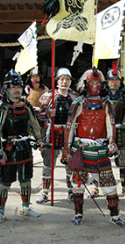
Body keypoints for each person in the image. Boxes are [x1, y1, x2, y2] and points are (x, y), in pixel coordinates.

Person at [62, 67, 125, 227]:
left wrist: (112, 142)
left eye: (98, 82)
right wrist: (66, 148)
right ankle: (78, 213)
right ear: (86, 83)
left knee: (110, 185)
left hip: (100, 150)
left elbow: (110, 125)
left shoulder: (106, 104)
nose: (95, 85)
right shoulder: (78, 103)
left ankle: (115, 215)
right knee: (78, 184)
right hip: (81, 149)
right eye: (91, 82)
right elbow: (69, 127)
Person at [0, 69, 44, 224]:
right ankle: (0, 211)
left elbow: (34, 125)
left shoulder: (26, 104)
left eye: (19, 86)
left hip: (25, 147)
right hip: (8, 148)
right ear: (7, 88)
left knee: (26, 179)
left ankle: (26, 207)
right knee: (4, 182)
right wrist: (0, 151)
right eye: (13, 87)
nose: (17, 89)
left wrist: (40, 140)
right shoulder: (1, 107)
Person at [88, 69, 125, 200]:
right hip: (103, 131)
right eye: (111, 80)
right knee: (99, 160)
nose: (114, 83)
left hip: (120, 130)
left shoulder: (124, 95)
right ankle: (95, 187)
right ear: (107, 82)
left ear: (120, 82)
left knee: (123, 160)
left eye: (116, 80)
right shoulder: (101, 95)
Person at [36, 67, 78, 204]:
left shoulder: (75, 97)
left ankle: (71, 191)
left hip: (69, 135)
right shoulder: (49, 96)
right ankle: (45, 192)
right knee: (48, 164)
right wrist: (48, 114)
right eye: (62, 79)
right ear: (57, 80)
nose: (64, 82)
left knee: (70, 165)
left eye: (67, 79)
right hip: (52, 133)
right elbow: (40, 115)